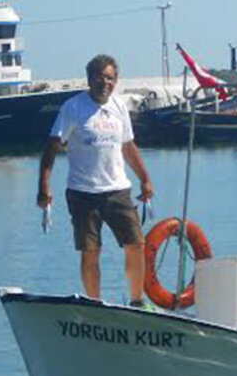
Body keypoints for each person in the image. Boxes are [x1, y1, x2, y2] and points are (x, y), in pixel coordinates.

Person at [37, 54, 154, 307]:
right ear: (89, 80)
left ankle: (137, 301)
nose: (105, 83)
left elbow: (128, 145)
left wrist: (145, 179)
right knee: (91, 251)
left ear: (116, 81)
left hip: (118, 190)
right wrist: (44, 186)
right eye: (99, 78)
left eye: (110, 78)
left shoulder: (119, 106)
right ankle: (95, 303)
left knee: (135, 244)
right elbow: (52, 146)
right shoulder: (73, 108)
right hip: (83, 193)